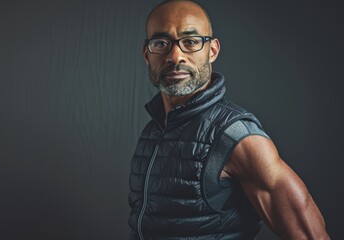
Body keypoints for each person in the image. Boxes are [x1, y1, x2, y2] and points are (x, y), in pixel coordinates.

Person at [128, 0, 330, 239]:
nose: (175, 56)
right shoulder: (153, 130)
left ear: (212, 50)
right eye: (161, 43)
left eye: (191, 42)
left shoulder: (236, 136)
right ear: (146, 53)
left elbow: (310, 235)